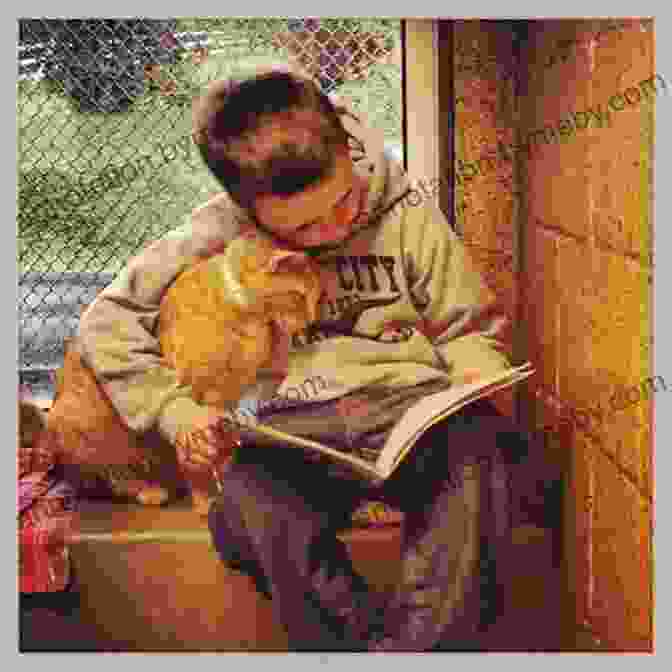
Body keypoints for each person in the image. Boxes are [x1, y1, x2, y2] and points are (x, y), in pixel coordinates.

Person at [76, 64, 534, 651]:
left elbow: (466, 326)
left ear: (347, 148)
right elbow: (106, 321)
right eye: (304, 227)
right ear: (247, 208)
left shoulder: (407, 207)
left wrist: (477, 378)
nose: (333, 229)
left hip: (408, 415)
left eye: (344, 203)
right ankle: (365, 649)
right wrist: (173, 412)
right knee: (246, 501)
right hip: (295, 430)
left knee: (481, 458)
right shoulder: (218, 228)